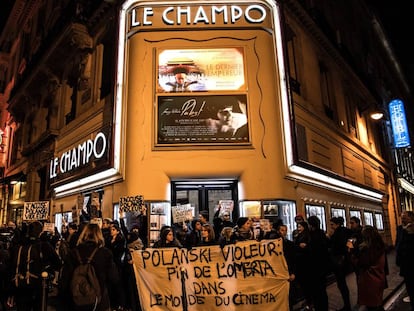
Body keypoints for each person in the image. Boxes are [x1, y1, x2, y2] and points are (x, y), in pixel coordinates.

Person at [59, 223, 120, 311]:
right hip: (99, 301)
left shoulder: (73, 253)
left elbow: (65, 279)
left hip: (76, 300)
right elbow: (114, 278)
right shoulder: (105, 253)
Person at [8, 221, 62, 311]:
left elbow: (11, 268)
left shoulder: (18, 246)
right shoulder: (44, 246)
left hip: (20, 286)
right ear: (40, 233)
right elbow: (58, 264)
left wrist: (10, 291)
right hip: (39, 286)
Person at [349, 225, 387, 311]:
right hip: (378, 277)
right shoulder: (379, 245)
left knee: (372, 306)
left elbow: (362, 263)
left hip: (369, 279)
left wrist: (353, 257)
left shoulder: (368, 248)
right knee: (377, 304)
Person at [328, 217, 352, 311]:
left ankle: (347, 306)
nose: (331, 226)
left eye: (332, 224)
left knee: (342, 284)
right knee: (342, 285)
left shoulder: (337, 234)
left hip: (339, 262)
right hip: (344, 261)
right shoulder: (346, 231)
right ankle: (347, 305)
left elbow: (334, 246)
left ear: (337, 224)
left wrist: (329, 238)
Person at [307, 216, 330, 311]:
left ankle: (319, 308)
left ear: (311, 225)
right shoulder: (322, 234)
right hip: (323, 267)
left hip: (315, 267)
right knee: (322, 290)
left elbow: (312, 251)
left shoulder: (312, 236)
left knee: (317, 291)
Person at [396, 211, 414, 310]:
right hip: (405, 263)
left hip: (412, 261)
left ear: (411, 218)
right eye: (402, 218)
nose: (402, 220)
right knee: (409, 285)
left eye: (405, 218)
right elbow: (398, 243)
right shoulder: (400, 229)